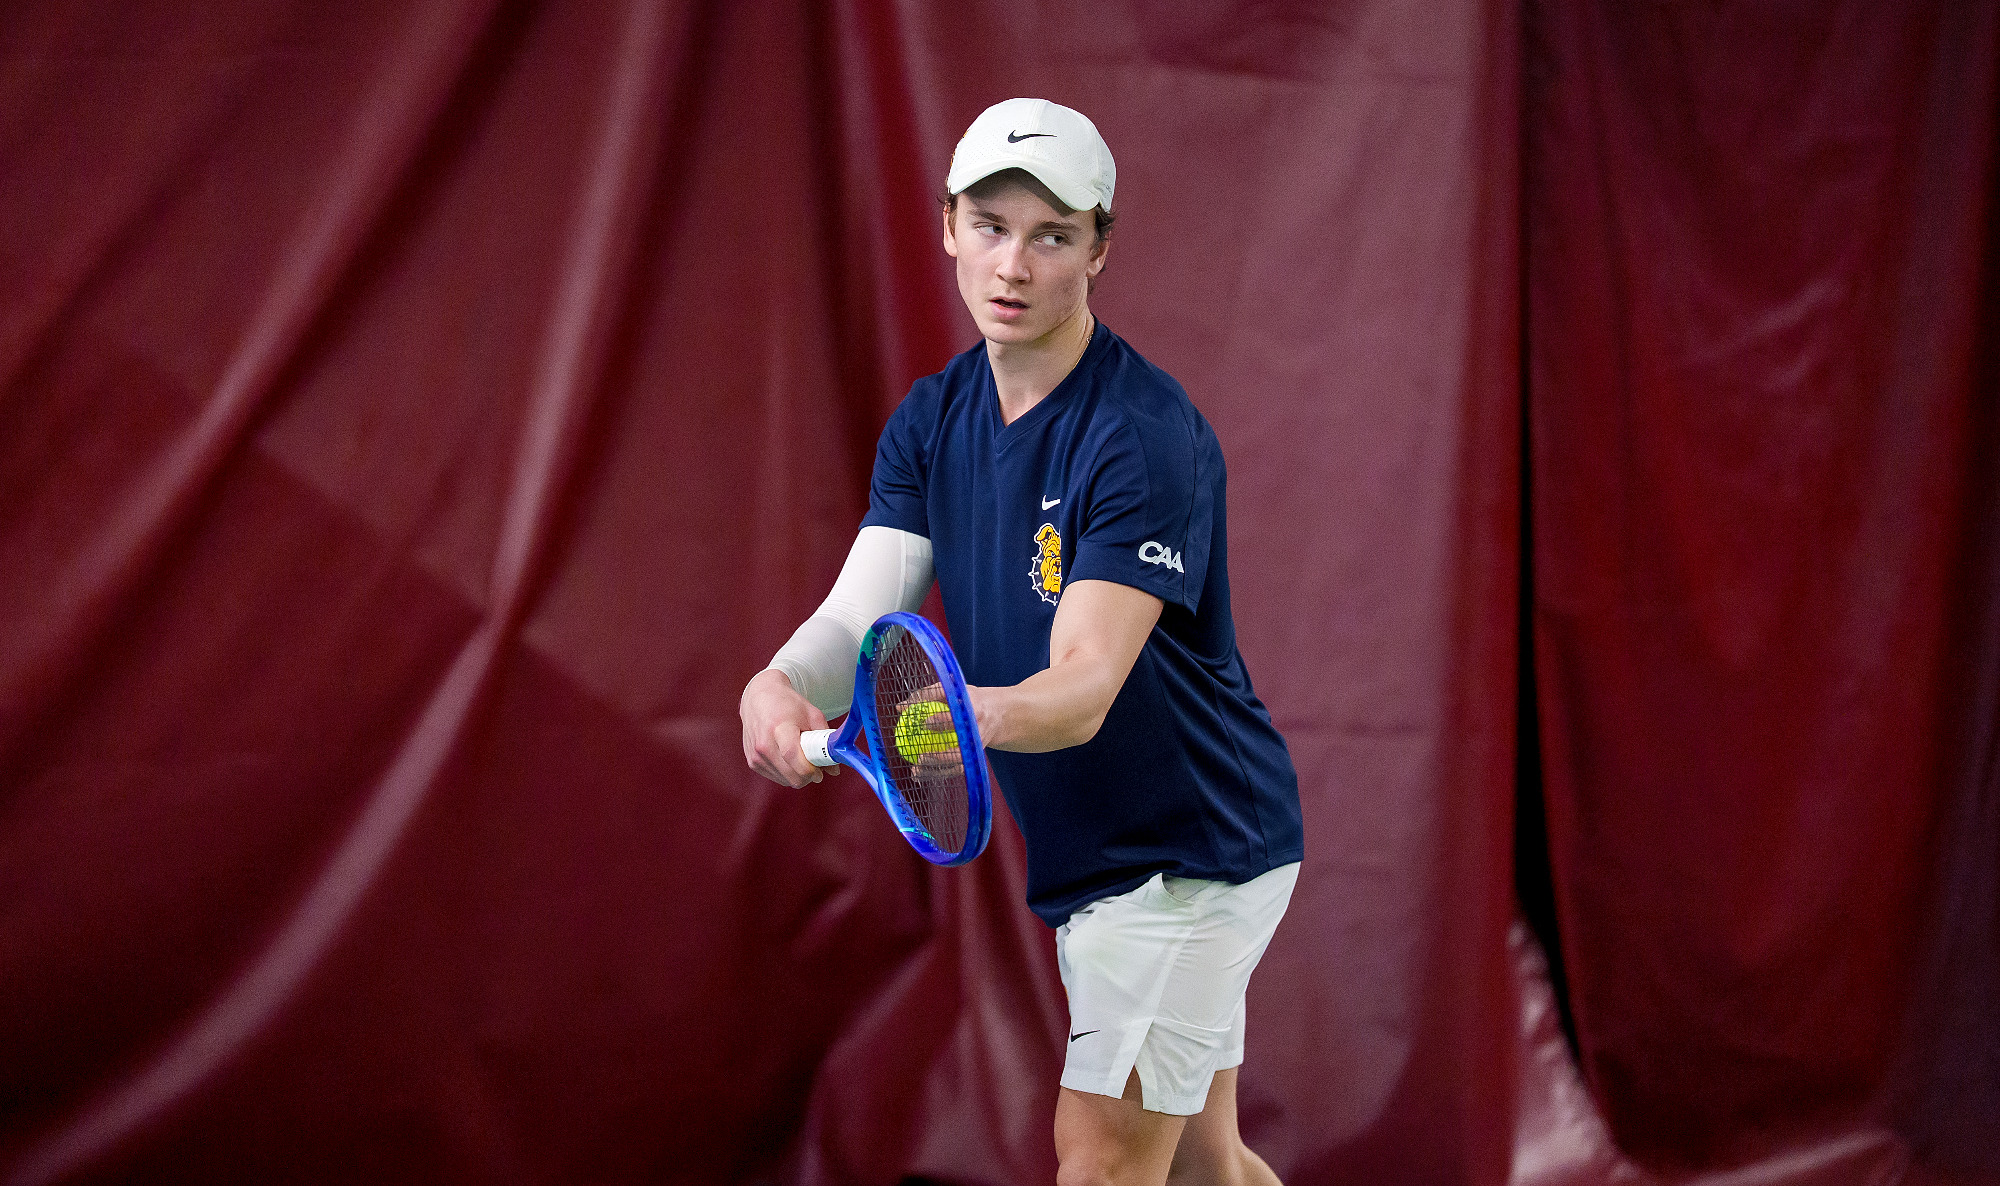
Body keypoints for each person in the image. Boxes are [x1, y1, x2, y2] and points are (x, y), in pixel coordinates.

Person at [739, 97, 1304, 1186]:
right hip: (1104, 858)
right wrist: (777, 682)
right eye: (989, 224)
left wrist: (945, 719)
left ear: (1099, 248)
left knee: (1097, 1164)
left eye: (1051, 235)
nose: (1013, 263)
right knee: (1205, 1170)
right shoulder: (931, 417)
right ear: (947, 224)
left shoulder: (1139, 438)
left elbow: (1083, 685)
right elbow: (859, 614)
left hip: (1187, 856)